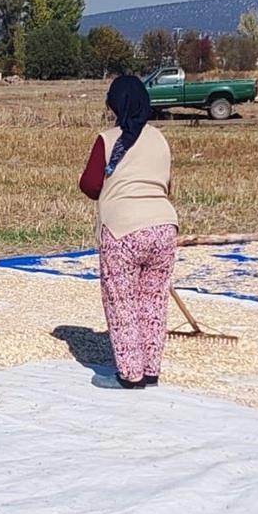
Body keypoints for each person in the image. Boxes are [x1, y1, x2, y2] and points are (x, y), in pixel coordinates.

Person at [78, 75, 178, 389]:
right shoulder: (160, 139)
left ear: (115, 105)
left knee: (121, 301)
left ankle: (129, 375)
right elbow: (167, 184)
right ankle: (150, 371)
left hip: (122, 230)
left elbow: (91, 185)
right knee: (154, 300)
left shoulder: (107, 140)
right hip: (164, 227)